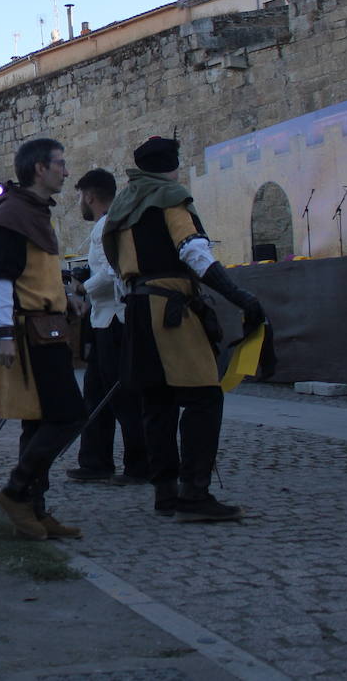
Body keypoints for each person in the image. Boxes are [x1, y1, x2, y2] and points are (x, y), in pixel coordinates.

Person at [103, 136, 264, 522]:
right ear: (171, 167)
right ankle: (194, 494)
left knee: (157, 403)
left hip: (139, 307)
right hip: (168, 310)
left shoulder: (123, 207)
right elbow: (193, 252)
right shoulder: (170, 196)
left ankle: (165, 492)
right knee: (203, 397)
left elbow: (116, 265)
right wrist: (241, 296)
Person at [0, 138, 87, 541]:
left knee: (40, 421)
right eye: (60, 163)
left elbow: (34, 273)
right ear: (39, 169)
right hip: (29, 334)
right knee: (68, 416)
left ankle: (34, 510)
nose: (65, 170)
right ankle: (15, 492)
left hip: (48, 327)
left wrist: (66, 298)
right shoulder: (12, 213)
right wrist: (3, 333)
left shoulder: (34, 213)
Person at [66, 169, 148, 485]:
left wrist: (82, 289)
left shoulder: (107, 224)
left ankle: (139, 465)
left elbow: (113, 273)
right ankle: (95, 460)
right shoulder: (113, 222)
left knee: (123, 396)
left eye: (79, 198)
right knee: (96, 393)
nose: (79, 204)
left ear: (89, 195)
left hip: (116, 320)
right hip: (104, 320)